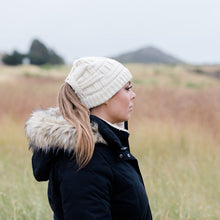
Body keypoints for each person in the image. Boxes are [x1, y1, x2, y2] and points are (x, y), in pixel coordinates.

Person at [25, 57, 152, 220]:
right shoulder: (85, 159)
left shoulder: (106, 148)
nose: (133, 95)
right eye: (127, 88)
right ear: (105, 95)